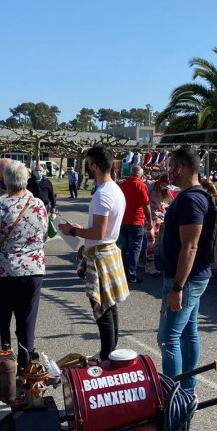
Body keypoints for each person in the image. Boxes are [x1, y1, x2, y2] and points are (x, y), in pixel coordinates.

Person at [59, 145, 129, 361]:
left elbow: (98, 232)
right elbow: (101, 229)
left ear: (95, 166)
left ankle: (108, 357)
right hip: (108, 250)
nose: (88, 168)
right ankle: (111, 352)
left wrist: (72, 230)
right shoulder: (115, 189)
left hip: (100, 254)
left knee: (102, 310)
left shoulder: (103, 194)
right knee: (110, 307)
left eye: (89, 164)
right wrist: (82, 228)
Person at [158, 147, 212, 395]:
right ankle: (187, 390)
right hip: (191, 278)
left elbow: (190, 247)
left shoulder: (191, 199)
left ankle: (173, 394)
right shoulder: (192, 196)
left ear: (182, 166)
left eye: (171, 165)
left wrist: (177, 287)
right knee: (188, 333)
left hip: (185, 280)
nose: (169, 170)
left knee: (168, 338)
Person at [0, 160, 48, 367]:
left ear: (5, 181)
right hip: (33, 270)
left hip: (5, 271)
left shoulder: (0, 205)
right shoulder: (38, 205)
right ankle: (25, 367)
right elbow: (44, 235)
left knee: (2, 321)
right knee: (26, 322)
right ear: (27, 180)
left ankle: (4, 366)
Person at [118, 165, 153, 284]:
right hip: (136, 221)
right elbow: (146, 205)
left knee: (125, 248)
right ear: (141, 176)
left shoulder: (122, 185)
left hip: (123, 221)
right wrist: (150, 220)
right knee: (134, 249)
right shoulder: (141, 185)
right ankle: (131, 275)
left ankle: (122, 273)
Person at [146, 173, 175, 276]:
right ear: (161, 182)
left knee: (153, 243)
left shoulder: (166, 191)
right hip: (149, 219)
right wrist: (154, 205)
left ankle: (149, 266)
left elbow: (170, 201)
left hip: (158, 219)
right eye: (164, 184)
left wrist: (164, 206)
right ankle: (150, 266)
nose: (165, 187)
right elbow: (144, 200)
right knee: (151, 242)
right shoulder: (150, 185)